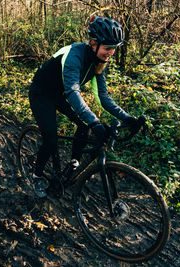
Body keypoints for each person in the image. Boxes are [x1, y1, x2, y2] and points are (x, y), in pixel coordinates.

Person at [29, 16, 140, 198]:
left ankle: (74, 162)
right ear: (93, 43)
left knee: (84, 125)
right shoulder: (75, 55)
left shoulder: (99, 62)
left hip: (61, 94)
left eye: (114, 48)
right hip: (41, 94)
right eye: (108, 48)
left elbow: (103, 97)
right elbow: (73, 92)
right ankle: (36, 175)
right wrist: (95, 122)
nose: (111, 53)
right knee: (50, 139)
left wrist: (126, 118)